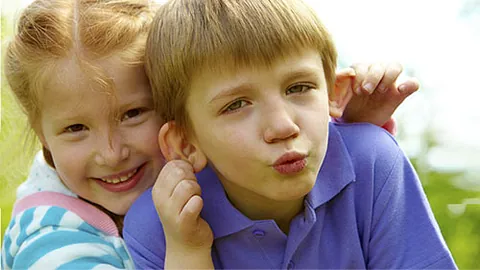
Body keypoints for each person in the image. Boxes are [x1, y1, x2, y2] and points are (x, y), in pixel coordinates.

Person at [1, 0, 419, 269]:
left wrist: (351, 128)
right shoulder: (51, 239)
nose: (112, 153)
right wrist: (185, 252)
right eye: (76, 129)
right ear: (43, 137)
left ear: (176, 124)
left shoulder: (210, 170)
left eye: (133, 114)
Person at [122, 0, 457, 269]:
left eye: (299, 87)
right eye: (237, 104)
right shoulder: (161, 227)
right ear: (185, 144)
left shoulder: (372, 164)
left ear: (334, 94)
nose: (283, 126)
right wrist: (189, 253)